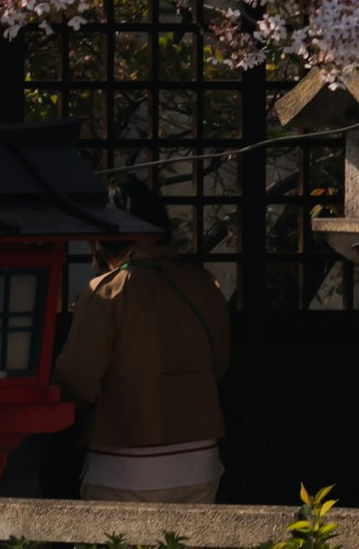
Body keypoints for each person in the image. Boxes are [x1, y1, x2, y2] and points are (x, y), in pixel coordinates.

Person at [55, 214, 230, 500]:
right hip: (200, 459)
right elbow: (220, 362)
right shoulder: (204, 285)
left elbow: (78, 379)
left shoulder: (107, 291)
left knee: (119, 545)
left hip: (124, 461)